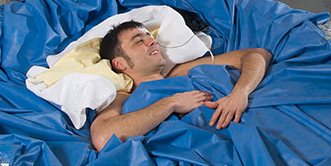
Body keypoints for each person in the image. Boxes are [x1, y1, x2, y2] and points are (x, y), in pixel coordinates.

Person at [90, 20, 273, 151]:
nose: (152, 41)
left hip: (249, 128)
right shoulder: (124, 96)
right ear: (120, 64)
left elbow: (257, 54)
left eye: (149, 37)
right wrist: (171, 103)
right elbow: (103, 136)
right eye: (139, 41)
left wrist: (240, 93)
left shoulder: (181, 71)